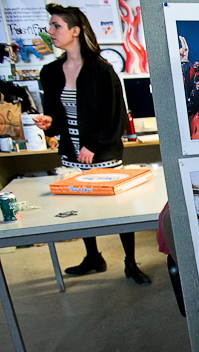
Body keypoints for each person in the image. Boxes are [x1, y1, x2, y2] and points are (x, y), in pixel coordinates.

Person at [34, 4, 151, 285]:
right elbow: (58, 117)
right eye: (50, 26)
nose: (50, 32)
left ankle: (130, 262)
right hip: (72, 154)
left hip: (102, 152)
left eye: (56, 26)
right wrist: (49, 123)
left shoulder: (101, 70)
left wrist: (93, 145)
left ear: (75, 31)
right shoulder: (50, 72)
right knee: (81, 206)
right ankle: (93, 257)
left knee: (119, 209)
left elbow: (116, 115)